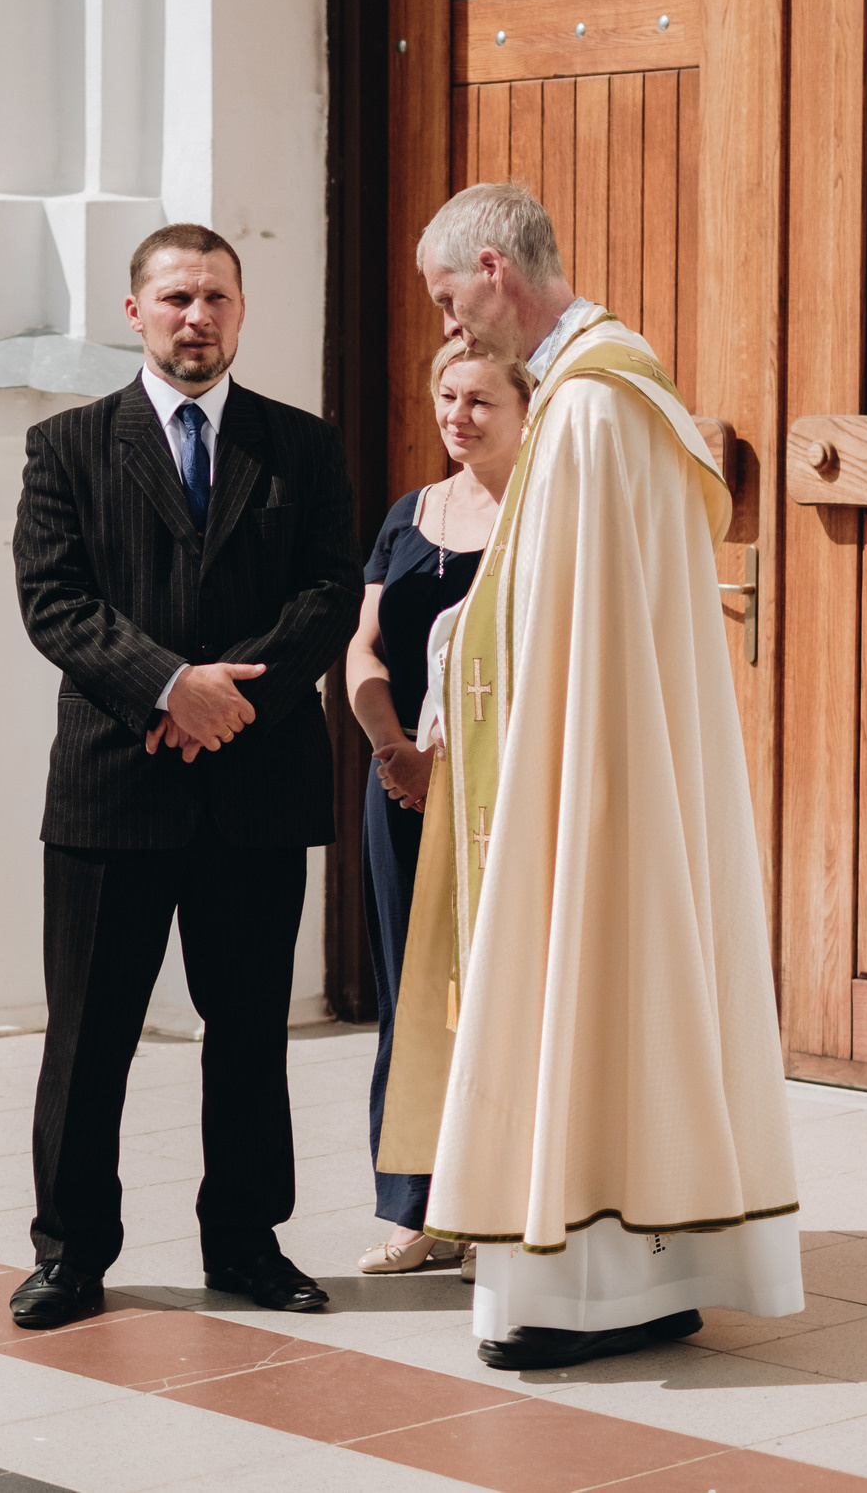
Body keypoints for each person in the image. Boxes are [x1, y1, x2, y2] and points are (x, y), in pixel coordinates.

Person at [377, 182, 805, 1370]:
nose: (451, 325)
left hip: (585, 770)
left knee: (585, 994)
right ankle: (630, 1281)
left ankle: (582, 1293)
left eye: (449, 294)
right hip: (592, 754)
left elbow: (563, 620)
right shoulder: (603, 389)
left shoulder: (587, 410)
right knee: (611, 1005)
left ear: (496, 270)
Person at [8, 223, 361, 1329]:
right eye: (174, 297)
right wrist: (170, 686)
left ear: (241, 311)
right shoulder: (66, 446)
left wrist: (228, 700)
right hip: (116, 785)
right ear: (135, 313)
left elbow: (328, 593)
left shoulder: (302, 449)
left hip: (255, 785)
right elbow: (55, 601)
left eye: (215, 296)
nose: (194, 315)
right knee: (88, 1034)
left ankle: (247, 1242)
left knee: (251, 1029)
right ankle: (70, 1253)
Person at [342, 338, 533, 1275]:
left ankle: (497, 1200)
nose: (459, 416)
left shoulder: (546, 519)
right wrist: (396, 751)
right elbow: (366, 648)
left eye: (481, 400)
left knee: (500, 992)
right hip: (404, 786)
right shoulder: (410, 514)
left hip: (507, 790)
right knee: (409, 991)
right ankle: (418, 1206)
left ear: (525, 407)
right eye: (446, 397)